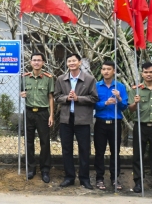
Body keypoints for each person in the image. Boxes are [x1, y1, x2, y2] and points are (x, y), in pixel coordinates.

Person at [54, 53, 98, 190]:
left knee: (84, 150)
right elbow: (56, 97)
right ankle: (69, 177)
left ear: (80, 63)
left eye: (74, 61)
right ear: (67, 64)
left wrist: (78, 98)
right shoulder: (61, 79)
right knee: (66, 149)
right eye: (69, 61)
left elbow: (94, 98)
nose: (71, 63)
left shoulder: (89, 79)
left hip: (83, 119)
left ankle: (84, 178)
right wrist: (67, 98)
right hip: (66, 119)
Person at [128, 62, 152, 195]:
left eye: (151, 72)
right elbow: (131, 109)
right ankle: (138, 182)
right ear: (142, 74)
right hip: (140, 126)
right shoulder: (136, 89)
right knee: (138, 155)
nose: (148, 75)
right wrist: (135, 102)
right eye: (146, 72)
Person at [93, 60, 128, 190]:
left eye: (109, 69)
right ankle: (99, 178)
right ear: (101, 71)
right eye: (103, 69)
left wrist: (118, 99)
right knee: (99, 152)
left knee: (115, 152)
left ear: (114, 71)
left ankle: (115, 178)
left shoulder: (120, 87)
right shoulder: (96, 86)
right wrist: (105, 103)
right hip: (100, 123)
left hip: (115, 123)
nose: (106, 71)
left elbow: (124, 106)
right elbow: (93, 104)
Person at [20, 53, 55, 183]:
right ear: (30, 62)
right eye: (34, 60)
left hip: (42, 113)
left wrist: (51, 115)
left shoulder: (48, 78)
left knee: (45, 142)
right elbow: (21, 92)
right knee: (29, 142)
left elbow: (51, 97)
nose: (36, 62)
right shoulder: (24, 78)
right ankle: (31, 168)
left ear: (43, 63)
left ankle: (45, 170)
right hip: (29, 112)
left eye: (39, 60)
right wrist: (21, 94)